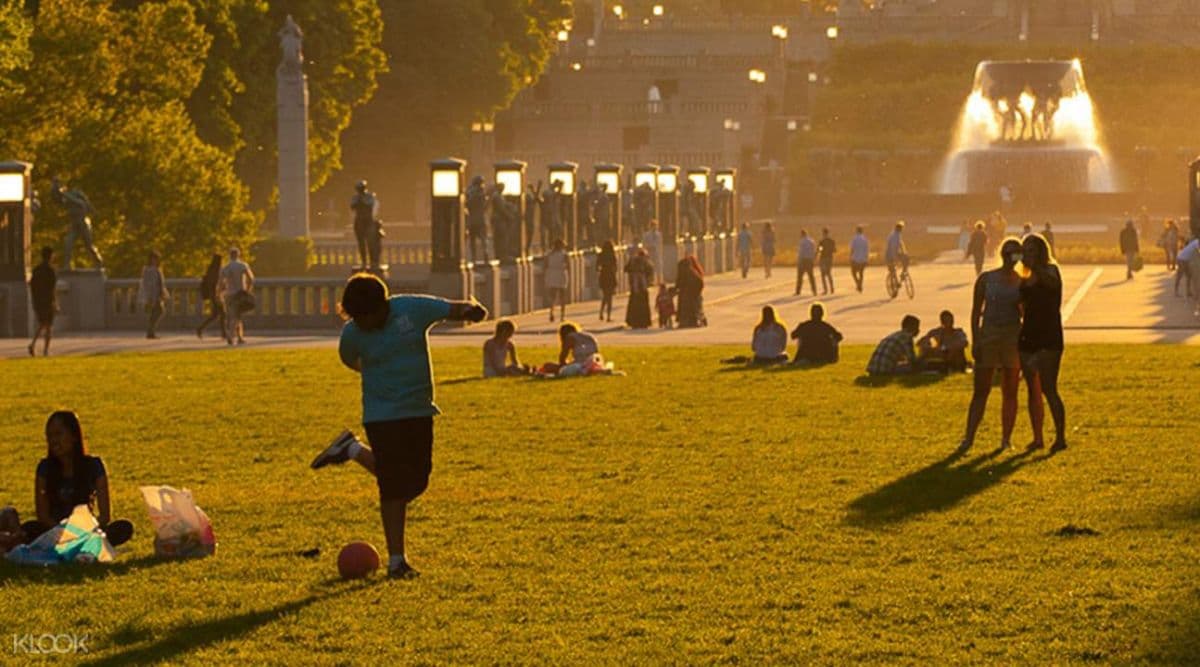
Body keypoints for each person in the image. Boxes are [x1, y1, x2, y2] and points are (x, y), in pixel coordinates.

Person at [311, 274, 487, 578]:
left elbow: (453, 309)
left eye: (369, 316)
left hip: (418, 409)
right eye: (357, 318)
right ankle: (396, 561)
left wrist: (472, 310)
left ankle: (350, 448)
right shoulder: (352, 333)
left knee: (416, 481)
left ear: (384, 305)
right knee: (392, 486)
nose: (363, 324)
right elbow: (350, 360)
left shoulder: (410, 309)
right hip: (381, 414)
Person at [22, 411, 134, 546]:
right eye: (50, 436)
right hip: (54, 531)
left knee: (123, 527)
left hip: (86, 529)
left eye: (58, 434)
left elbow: (104, 516)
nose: (53, 441)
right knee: (29, 529)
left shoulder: (93, 466)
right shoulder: (45, 468)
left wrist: (83, 531)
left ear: (74, 436)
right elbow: (43, 516)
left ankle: (89, 543)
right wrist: (63, 532)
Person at [958, 238, 1025, 454]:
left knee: (1010, 391)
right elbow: (976, 312)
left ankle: (1006, 438)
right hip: (989, 337)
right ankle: (969, 437)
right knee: (981, 390)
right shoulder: (987, 279)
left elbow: (1025, 313)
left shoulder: (1020, 282)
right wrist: (976, 340)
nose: (1011, 259)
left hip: (1011, 338)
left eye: (1016, 255)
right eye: (1009, 254)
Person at [1018, 233, 1066, 454]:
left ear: (1040, 251)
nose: (1027, 254)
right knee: (1032, 390)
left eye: (1031, 249)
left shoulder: (1050, 270)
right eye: (1024, 250)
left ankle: (1060, 436)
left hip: (1049, 334)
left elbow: (1053, 286)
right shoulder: (1023, 276)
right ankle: (1037, 437)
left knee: (1049, 388)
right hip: (1028, 334)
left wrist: (1034, 267)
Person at [219, 247, 255, 345]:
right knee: (237, 316)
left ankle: (239, 337)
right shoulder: (243, 265)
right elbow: (251, 279)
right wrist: (247, 290)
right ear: (238, 255)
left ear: (229, 255)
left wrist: (220, 293)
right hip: (239, 294)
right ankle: (232, 336)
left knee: (232, 316)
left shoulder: (226, 267)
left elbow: (221, 282)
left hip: (229, 294)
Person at [27, 247, 57, 357]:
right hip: (48, 301)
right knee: (48, 326)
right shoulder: (50, 270)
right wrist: (54, 303)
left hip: (38, 301)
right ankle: (45, 350)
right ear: (50, 256)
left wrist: (34, 300)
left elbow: (32, 286)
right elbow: (52, 288)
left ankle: (34, 345)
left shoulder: (36, 270)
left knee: (43, 324)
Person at [350, 180, 382, 268]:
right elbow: (352, 207)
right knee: (361, 243)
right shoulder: (355, 197)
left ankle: (372, 261)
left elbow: (370, 205)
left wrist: (361, 201)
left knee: (371, 242)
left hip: (368, 221)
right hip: (359, 221)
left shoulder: (370, 196)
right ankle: (364, 261)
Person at [138, 250, 169, 340]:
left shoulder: (157, 269)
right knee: (158, 311)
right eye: (153, 259)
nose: (155, 261)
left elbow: (160, 283)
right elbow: (147, 284)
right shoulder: (148, 270)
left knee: (157, 312)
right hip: (153, 295)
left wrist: (163, 293)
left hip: (158, 294)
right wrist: (149, 297)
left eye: (156, 259)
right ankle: (150, 332)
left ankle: (151, 331)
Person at [196, 253, 226, 339]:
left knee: (215, 315)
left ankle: (200, 329)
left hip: (214, 296)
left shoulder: (211, 270)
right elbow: (214, 285)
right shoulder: (215, 272)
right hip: (216, 296)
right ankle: (223, 333)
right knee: (222, 314)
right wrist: (216, 296)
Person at [624, 248, 654, 329]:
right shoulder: (645, 263)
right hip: (642, 288)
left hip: (635, 288)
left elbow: (626, 269)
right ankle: (643, 322)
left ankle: (634, 322)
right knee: (642, 306)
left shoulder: (634, 261)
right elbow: (650, 272)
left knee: (635, 306)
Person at [675, 254, 706, 328]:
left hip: (688, 294)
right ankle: (692, 321)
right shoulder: (693, 271)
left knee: (688, 308)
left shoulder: (687, 271)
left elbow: (680, 281)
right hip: (690, 293)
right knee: (692, 308)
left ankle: (688, 321)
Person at [465, 176, 490, 262]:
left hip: (471, 220)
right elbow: (485, 207)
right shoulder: (482, 193)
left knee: (472, 240)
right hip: (481, 220)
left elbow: (466, 205)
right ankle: (485, 253)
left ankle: (473, 257)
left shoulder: (469, 193)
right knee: (484, 239)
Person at [544, 239, 569, 322]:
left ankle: (551, 312)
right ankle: (562, 316)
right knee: (562, 297)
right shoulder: (564, 255)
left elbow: (545, 265)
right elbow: (568, 266)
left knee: (553, 297)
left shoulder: (549, 255)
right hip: (561, 275)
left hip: (551, 275)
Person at [597, 240, 618, 322]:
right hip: (610, 276)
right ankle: (608, 316)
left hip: (603, 276)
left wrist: (601, 270)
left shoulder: (600, 255)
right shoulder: (612, 255)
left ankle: (601, 312)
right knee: (609, 298)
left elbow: (597, 267)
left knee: (605, 296)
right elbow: (615, 267)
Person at [795, 229, 817, 296]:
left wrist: (798, 260)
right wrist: (813, 259)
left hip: (803, 260)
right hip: (810, 260)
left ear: (802, 234)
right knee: (811, 276)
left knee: (800, 277)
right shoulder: (811, 241)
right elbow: (814, 251)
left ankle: (798, 291)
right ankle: (814, 290)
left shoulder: (801, 242)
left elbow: (800, 252)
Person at [849, 225, 869, 293]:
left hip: (855, 258)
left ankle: (858, 283)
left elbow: (852, 249)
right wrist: (866, 258)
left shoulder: (854, 239)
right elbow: (867, 249)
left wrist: (850, 257)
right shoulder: (865, 239)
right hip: (863, 259)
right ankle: (860, 284)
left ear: (857, 231)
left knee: (853, 272)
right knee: (861, 273)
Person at [817, 227, 836, 295]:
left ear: (823, 233)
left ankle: (825, 289)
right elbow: (834, 250)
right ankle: (832, 288)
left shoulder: (821, 241)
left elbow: (819, 250)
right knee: (829, 274)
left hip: (823, 258)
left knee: (823, 275)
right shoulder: (832, 241)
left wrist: (816, 255)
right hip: (830, 258)